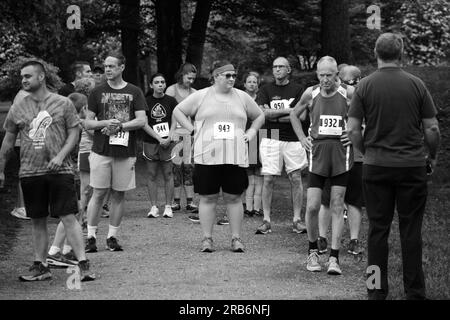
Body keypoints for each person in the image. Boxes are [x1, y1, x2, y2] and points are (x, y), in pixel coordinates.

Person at [347, 33, 440, 300]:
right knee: (411, 231)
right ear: (401, 53)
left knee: (378, 231)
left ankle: (376, 290)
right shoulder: (416, 85)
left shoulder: (364, 86)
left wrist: (366, 151)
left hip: (376, 167)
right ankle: (415, 293)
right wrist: (431, 157)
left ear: (376, 53)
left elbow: (353, 130)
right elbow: (432, 127)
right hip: (411, 166)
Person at [0, 60, 95, 281]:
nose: (23, 80)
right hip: (30, 172)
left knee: (68, 216)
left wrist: (61, 155)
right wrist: (1, 169)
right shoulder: (17, 107)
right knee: (37, 220)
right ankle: (41, 266)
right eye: (22, 77)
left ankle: (83, 265)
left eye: (28, 76)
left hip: (60, 171)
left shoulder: (62, 103)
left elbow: (74, 133)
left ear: (41, 77)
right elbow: (8, 140)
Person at [173, 60, 265, 253]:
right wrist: (191, 130)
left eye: (234, 75)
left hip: (235, 155)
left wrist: (251, 133)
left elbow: (259, 116)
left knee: (234, 198)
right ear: (215, 76)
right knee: (208, 198)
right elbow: (178, 111)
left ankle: (236, 238)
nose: (232, 79)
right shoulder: (201, 96)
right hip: (207, 156)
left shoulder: (242, 97)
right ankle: (207, 238)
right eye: (227, 75)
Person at [290, 56, 355, 275]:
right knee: (312, 206)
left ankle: (335, 258)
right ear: (317, 74)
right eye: (321, 75)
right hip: (317, 155)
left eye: (329, 75)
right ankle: (312, 251)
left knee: (337, 204)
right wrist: (301, 138)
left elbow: (365, 117)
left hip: (341, 154)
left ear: (337, 74)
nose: (325, 80)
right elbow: (294, 114)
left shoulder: (349, 93)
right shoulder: (311, 93)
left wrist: (355, 134)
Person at [84, 52, 147, 252]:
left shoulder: (134, 91)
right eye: (105, 66)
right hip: (101, 150)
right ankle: (91, 237)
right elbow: (87, 122)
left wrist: (120, 127)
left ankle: (112, 237)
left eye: (111, 66)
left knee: (119, 194)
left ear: (122, 67)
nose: (107, 70)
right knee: (98, 193)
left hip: (125, 151)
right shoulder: (96, 92)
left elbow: (141, 120)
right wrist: (105, 123)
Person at [255, 57, 308, 235]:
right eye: (275, 67)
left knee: (296, 178)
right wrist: (289, 111)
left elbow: (301, 117)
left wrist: (274, 114)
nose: (277, 70)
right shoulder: (265, 90)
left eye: (281, 67)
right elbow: (263, 114)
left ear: (288, 70)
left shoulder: (298, 89)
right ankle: (266, 220)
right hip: (271, 136)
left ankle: (297, 220)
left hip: (293, 137)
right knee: (268, 178)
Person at [317, 65, 364, 256]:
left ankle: (354, 240)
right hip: (333, 156)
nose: (344, 85)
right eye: (341, 81)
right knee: (327, 199)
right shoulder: (329, 95)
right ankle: (322, 238)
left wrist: (357, 134)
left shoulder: (361, 97)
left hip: (357, 156)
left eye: (349, 82)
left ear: (358, 81)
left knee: (354, 200)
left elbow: (370, 122)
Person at [165, 63, 199, 222]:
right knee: (176, 167)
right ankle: (176, 201)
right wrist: (171, 130)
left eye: (193, 78)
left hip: (190, 134)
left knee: (189, 167)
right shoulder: (171, 90)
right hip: (176, 133)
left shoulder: (195, 93)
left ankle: (191, 201)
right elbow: (170, 112)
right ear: (181, 75)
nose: (191, 81)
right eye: (188, 78)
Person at [143, 73, 177, 218]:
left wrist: (169, 136)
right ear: (151, 85)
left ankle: (168, 207)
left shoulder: (171, 100)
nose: (160, 85)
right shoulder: (145, 101)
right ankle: (153, 207)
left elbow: (176, 120)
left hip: (168, 142)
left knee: (168, 174)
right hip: (151, 141)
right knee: (151, 174)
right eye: (156, 82)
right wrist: (158, 138)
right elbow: (143, 123)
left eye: (163, 82)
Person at [242, 71, 263, 217]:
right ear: (244, 84)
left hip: (261, 136)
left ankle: (258, 207)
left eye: (255, 82)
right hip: (245, 137)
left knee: (260, 172)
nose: (252, 84)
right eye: (249, 81)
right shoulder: (239, 98)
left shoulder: (262, 98)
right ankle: (248, 207)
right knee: (248, 172)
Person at [9, 89, 30, 220]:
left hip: (23, 141)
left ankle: (21, 207)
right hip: (22, 142)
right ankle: (22, 207)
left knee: (24, 174)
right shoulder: (24, 95)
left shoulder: (22, 94)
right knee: (24, 174)